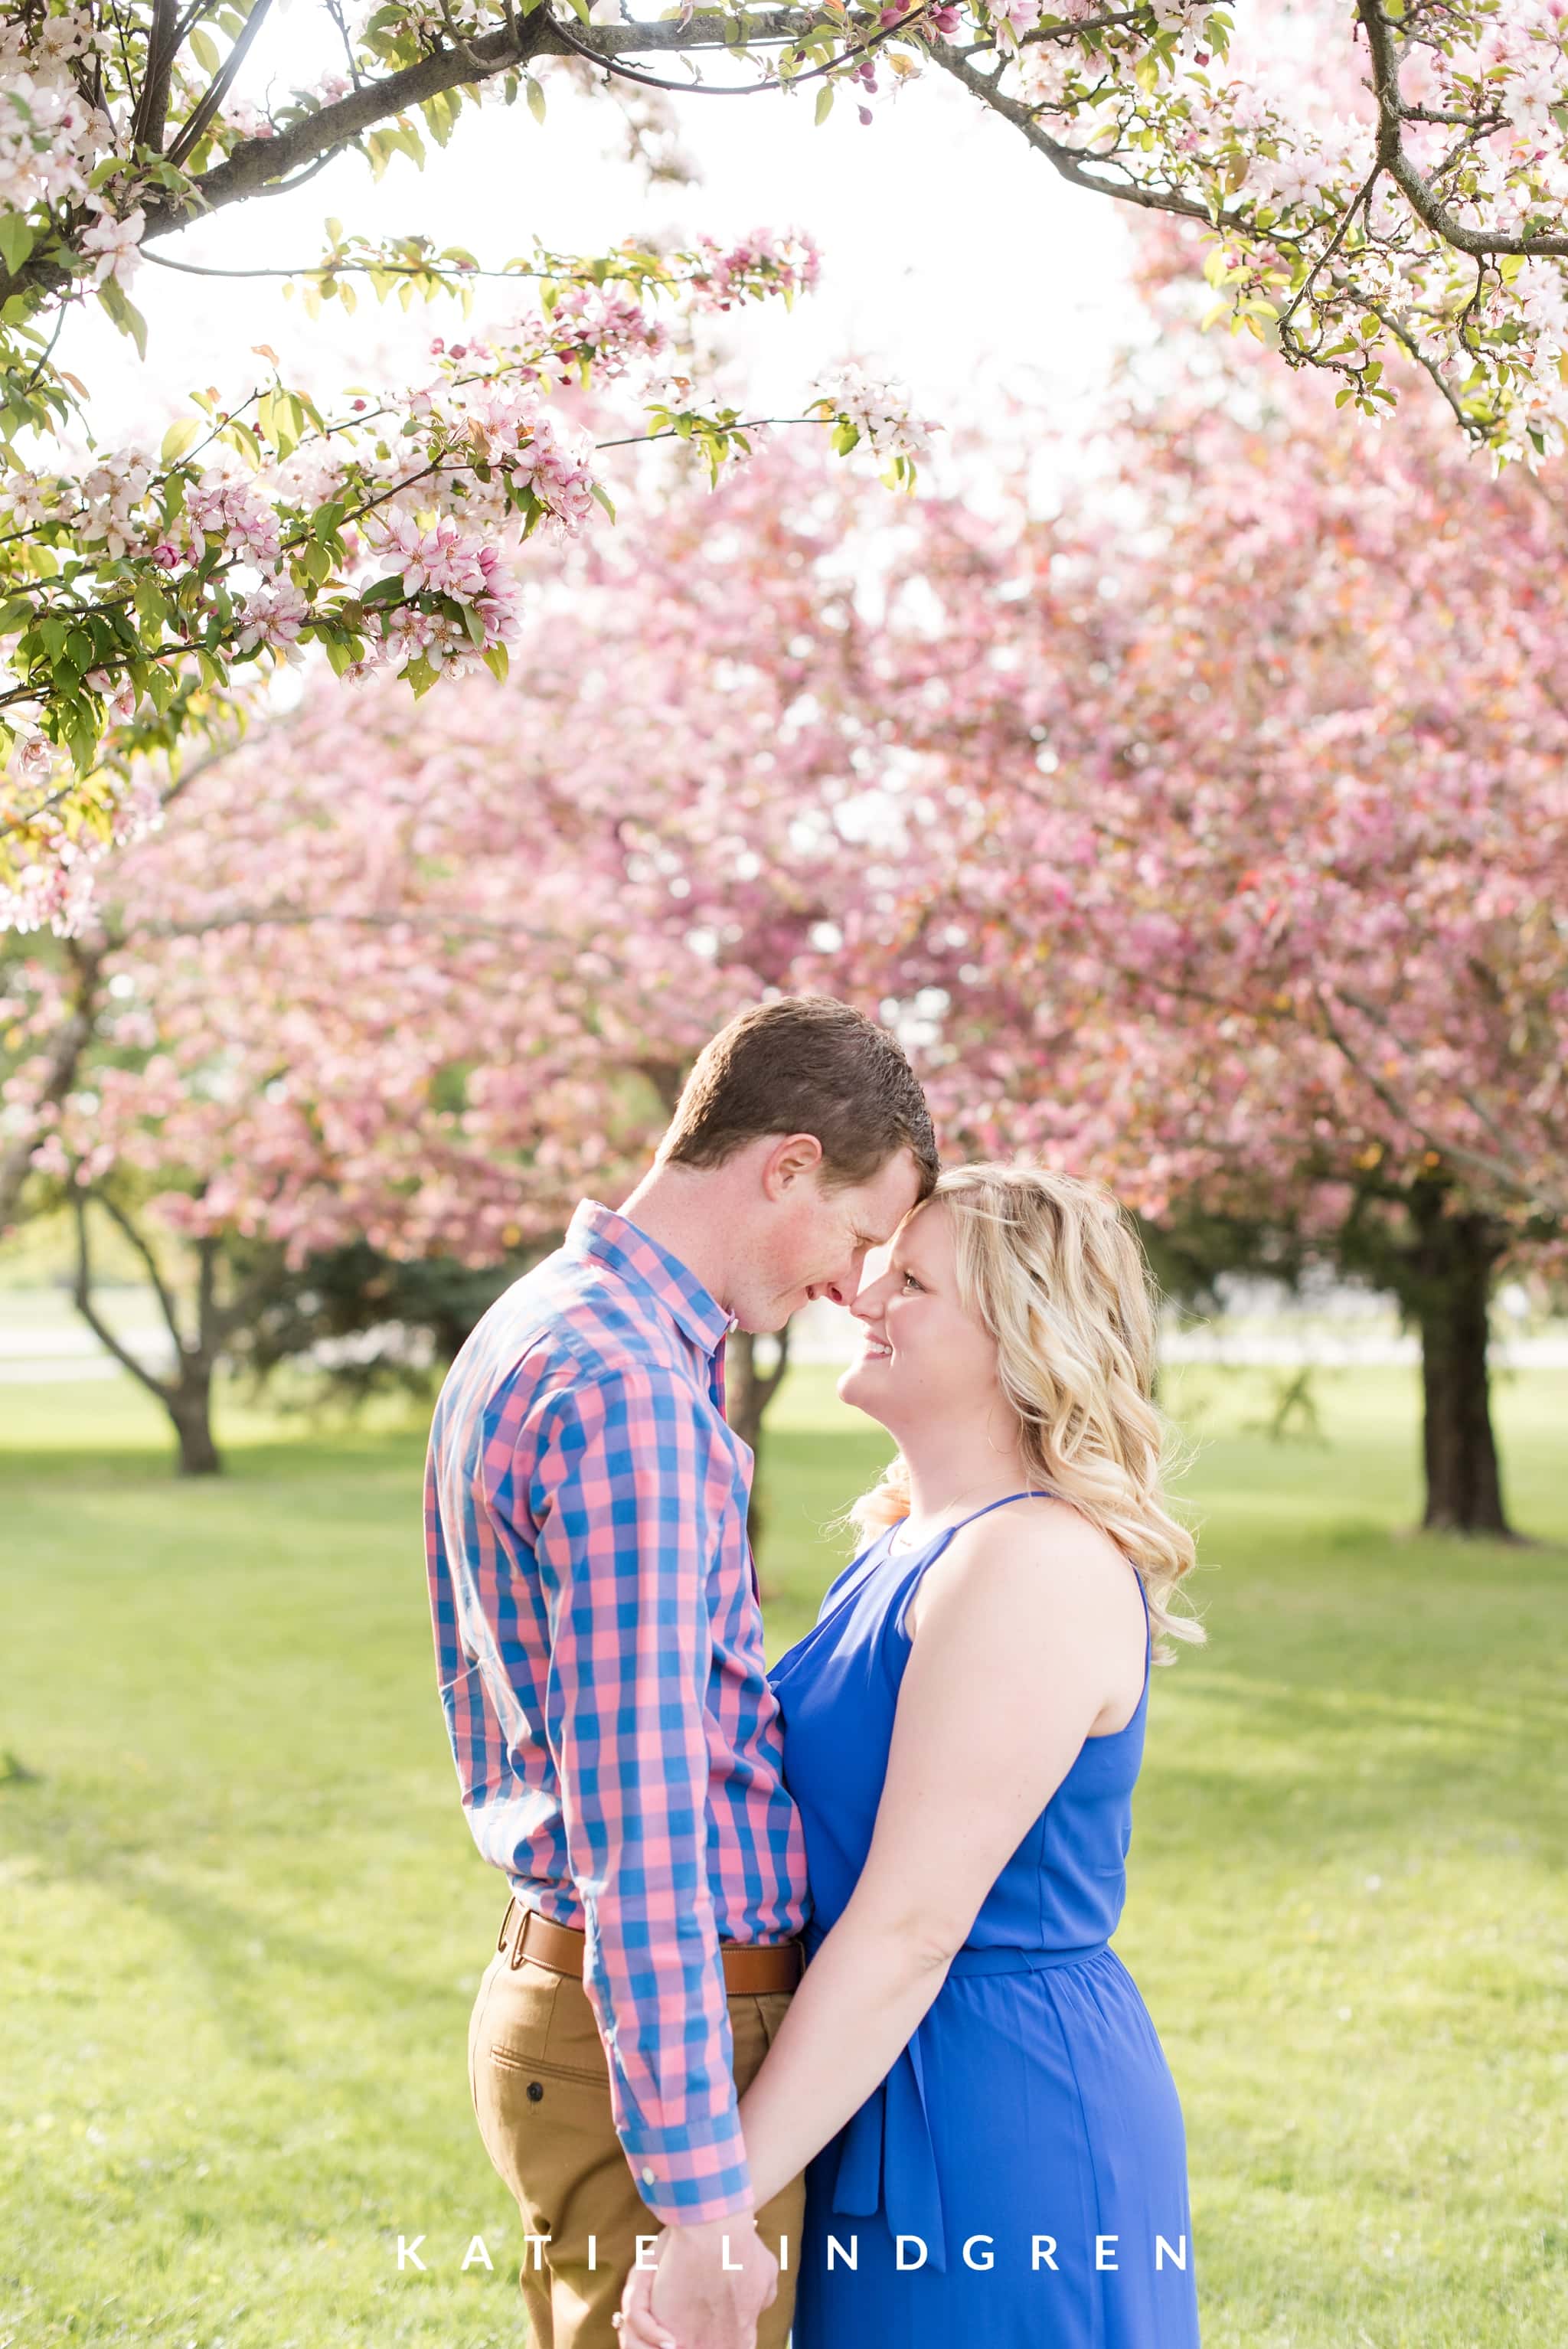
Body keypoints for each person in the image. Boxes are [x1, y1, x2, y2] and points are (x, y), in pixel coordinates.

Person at [423, 995, 939, 2349]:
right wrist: (706, 2204)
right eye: (856, 1230)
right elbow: (644, 1834)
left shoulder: (551, 1321)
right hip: (669, 2034)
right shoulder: (629, 1396)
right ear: (785, 1166)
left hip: (589, 2016)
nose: (851, 1280)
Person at [621, 1161, 1207, 2349]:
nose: (862, 1295)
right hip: (873, 2070)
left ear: (1021, 1338)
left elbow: (910, 1928)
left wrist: (713, 2218)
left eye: (913, 1281)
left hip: (995, 2112)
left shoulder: (1029, 1564)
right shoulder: (913, 1540)